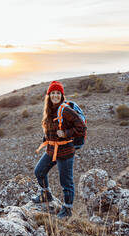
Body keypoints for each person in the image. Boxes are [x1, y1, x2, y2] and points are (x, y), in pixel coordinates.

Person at [32, 80, 87, 219]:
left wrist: (67, 133)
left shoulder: (65, 110)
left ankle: (67, 209)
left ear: (62, 95)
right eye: (53, 93)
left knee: (66, 183)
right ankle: (46, 195)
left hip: (66, 152)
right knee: (39, 171)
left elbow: (81, 128)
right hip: (51, 149)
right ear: (49, 95)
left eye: (58, 93)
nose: (55, 96)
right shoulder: (49, 110)